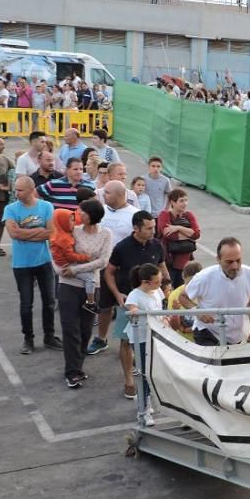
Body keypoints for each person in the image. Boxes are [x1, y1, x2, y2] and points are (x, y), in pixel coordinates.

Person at [103, 211, 170, 398]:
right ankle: (129, 380)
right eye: (149, 228)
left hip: (152, 302)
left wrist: (167, 284)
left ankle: (147, 375)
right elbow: (109, 272)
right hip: (129, 302)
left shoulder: (157, 245)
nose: (153, 231)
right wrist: (117, 294)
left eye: (154, 227)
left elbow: (163, 267)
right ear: (136, 228)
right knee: (126, 341)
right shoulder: (122, 248)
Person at [3, 177, 63, 355]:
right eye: (16, 190)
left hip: (44, 262)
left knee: (49, 302)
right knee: (26, 303)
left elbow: (52, 233)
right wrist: (38, 231)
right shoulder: (10, 209)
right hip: (21, 265)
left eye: (20, 190)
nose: (16, 193)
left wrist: (25, 233)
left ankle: (49, 336)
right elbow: (13, 233)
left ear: (31, 190)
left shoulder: (46, 207)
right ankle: (28, 339)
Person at [57, 200, 112, 388]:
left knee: (86, 329)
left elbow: (103, 261)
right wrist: (63, 270)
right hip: (68, 286)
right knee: (70, 329)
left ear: (92, 215)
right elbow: (57, 250)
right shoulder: (73, 231)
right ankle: (72, 371)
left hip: (91, 287)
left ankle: (77, 366)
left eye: (83, 212)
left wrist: (76, 270)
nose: (79, 214)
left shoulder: (105, 234)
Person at [85, 181, 138, 356]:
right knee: (104, 306)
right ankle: (101, 339)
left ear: (120, 194)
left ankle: (128, 344)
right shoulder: (101, 212)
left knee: (128, 307)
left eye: (107, 192)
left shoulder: (134, 215)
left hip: (126, 271)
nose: (103, 195)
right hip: (103, 268)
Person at [180, 237, 250, 346]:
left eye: (238, 260)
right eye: (229, 262)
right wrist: (197, 311)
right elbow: (183, 297)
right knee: (215, 363)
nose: (235, 266)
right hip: (208, 333)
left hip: (234, 337)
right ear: (218, 259)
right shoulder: (204, 277)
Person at [124, 263, 167, 426]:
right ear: (145, 282)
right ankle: (143, 409)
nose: (159, 285)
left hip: (156, 336)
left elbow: (161, 306)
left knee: (153, 372)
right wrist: (136, 312)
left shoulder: (157, 291)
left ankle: (146, 400)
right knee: (143, 373)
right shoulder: (135, 295)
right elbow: (132, 309)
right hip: (141, 338)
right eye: (156, 282)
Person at [50, 208, 97, 313]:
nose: (74, 222)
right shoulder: (64, 239)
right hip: (66, 266)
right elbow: (70, 256)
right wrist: (85, 257)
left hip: (63, 264)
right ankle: (91, 303)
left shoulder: (59, 233)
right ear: (62, 222)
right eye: (70, 220)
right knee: (90, 278)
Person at [157, 189, 201, 288]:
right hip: (169, 261)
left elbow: (197, 234)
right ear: (172, 202)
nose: (185, 203)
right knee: (168, 290)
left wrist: (178, 228)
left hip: (186, 262)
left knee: (183, 291)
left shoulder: (189, 215)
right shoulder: (164, 215)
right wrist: (189, 234)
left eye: (186, 200)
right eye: (181, 201)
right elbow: (169, 235)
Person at [167, 261, 203, 340]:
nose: (192, 288)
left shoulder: (208, 293)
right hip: (183, 343)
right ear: (183, 277)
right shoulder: (174, 295)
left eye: (195, 283)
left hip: (204, 343)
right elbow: (174, 327)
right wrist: (175, 313)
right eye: (189, 283)